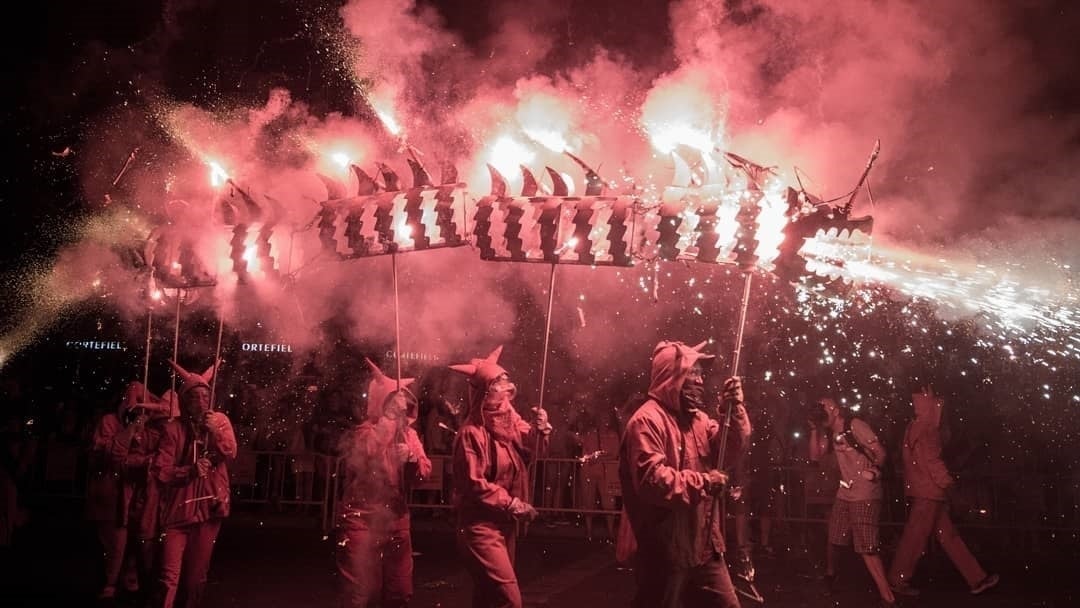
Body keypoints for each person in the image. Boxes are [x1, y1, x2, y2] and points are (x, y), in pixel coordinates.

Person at [618, 340, 751, 608]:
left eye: (702, 374)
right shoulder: (646, 421)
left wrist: (733, 409)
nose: (701, 381)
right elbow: (653, 481)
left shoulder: (698, 419)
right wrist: (704, 482)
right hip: (666, 548)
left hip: (704, 543)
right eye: (694, 373)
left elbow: (730, 449)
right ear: (672, 377)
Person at [449, 346, 552, 608]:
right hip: (479, 527)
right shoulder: (471, 433)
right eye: (498, 383)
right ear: (485, 392)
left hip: (505, 525)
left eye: (506, 381)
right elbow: (474, 484)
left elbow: (534, 452)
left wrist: (540, 432)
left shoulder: (511, 420)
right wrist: (511, 503)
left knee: (487, 598)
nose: (506, 388)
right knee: (509, 600)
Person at [336, 358, 433, 608]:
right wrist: (388, 419)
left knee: (399, 592)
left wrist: (411, 459)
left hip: (396, 521)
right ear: (381, 403)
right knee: (361, 592)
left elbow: (423, 477)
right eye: (391, 401)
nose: (399, 407)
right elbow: (366, 453)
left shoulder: (408, 435)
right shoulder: (364, 431)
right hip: (360, 520)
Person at [887, 385, 999, 597]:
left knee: (947, 536)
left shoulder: (914, 426)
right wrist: (949, 485)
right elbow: (934, 463)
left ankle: (977, 578)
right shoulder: (928, 429)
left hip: (924, 489)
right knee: (916, 539)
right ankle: (897, 580)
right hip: (929, 492)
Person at [152, 359, 236, 608]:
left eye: (204, 396)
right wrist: (188, 472)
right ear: (184, 401)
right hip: (177, 512)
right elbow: (161, 471)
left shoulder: (220, 421)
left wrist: (215, 433)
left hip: (209, 510)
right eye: (193, 397)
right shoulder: (173, 429)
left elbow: (230, 453)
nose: (199, 402)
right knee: (168, 577)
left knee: (196, 577)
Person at [85, 380, 170, 603]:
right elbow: (113, 457)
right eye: (135, 403)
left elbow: (156, 457)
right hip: (112, 495)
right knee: (114, 544)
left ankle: (133, 580)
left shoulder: (151, 428)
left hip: (138, 495)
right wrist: (131, 429)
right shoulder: (110, 422)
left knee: (139, 542)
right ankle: (109, 584)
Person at [807, 397, 896, 607]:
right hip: (845, 493)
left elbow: (880, 452)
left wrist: (875, 471)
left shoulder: (855, 425)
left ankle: (888, 598)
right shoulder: (830, 432)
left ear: (835, 410)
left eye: (823, 409)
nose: (821, 412)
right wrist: (814, 428)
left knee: (867, 547)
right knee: (835, 537)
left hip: (865, 493)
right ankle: (831, 576)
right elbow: (814, 457)